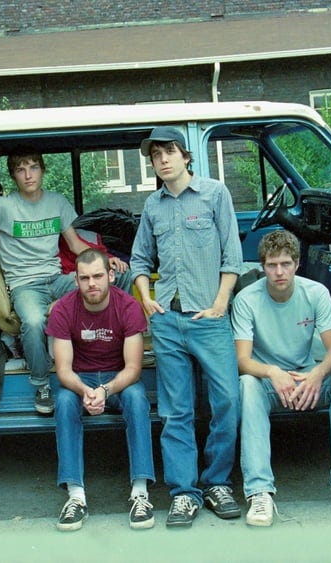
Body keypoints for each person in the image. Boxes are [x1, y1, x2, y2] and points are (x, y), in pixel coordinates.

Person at [129, 126, 244, 528]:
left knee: (227, 401)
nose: (162, 159)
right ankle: (183, 493)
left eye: (169, 152)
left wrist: (219, 303)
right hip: (168, 322)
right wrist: (147, 300)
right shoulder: (152, 206)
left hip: (208, 320)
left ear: (186, 156)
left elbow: (233, 255)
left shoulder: (215, 194)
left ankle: (216, 482)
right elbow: (140, 260)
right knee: (176, 411)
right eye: (156, 154)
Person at [231, 229, 331, 527]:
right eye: (271, 265)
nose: (279, 272)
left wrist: (317, 373)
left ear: (297, 264)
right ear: (262, 266)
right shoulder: (247, 298)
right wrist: (272, 372)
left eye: (285, 264)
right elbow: (242, 361)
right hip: (270, 384)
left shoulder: (316, 293)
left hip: (307, 376)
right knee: (247, 385)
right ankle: (259, 491)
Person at [0, 146, 130, 414]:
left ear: (42, 170)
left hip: (56, 278)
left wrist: (106, 260)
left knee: (114, 280)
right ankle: (41, 384)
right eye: (20, 170)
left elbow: (74, 244)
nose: (28, 175)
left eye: (33, 167)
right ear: (13, 175)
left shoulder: (57, 201)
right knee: (34, 321)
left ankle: (109, 364)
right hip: (25, 285)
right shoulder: (1, 206)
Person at [45, 248, 156, 531]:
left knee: (136, 397)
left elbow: (133, 368)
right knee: (65, 401)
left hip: (117, 379)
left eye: (97, 276)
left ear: (110, 275)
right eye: (84, 278)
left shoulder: (128, 306)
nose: (91, 283)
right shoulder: (63, 309)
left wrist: (105, 391)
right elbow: (63, 371)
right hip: (79, 378)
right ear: (77, 280)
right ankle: (75, 495)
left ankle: (140, 492)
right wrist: (85, 390)